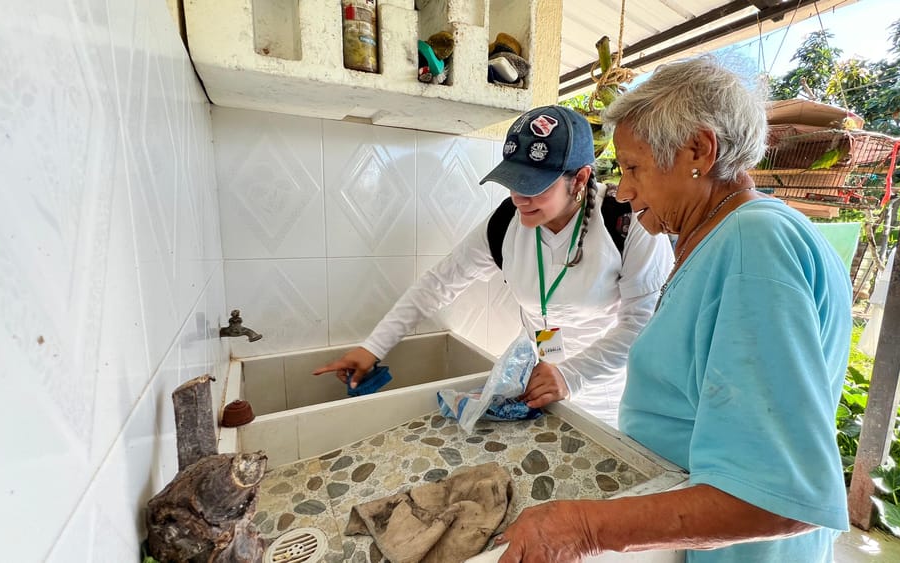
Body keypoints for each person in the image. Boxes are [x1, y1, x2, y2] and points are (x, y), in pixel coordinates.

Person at [494, 57, 852, 562]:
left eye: (635, 167)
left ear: (699, 151)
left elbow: (781, 497)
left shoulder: (755, 244)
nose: (624, 190)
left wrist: (583, 528)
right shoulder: (725, 237)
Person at [314, 104, 673, 428]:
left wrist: (571, 376)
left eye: (535, 186)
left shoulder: (628, 223)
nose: (519, 198)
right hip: (539, 382)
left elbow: (643, 325)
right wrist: (373, 347)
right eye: (513, 183)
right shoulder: (507, 223)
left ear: (579, 179)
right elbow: (438, 284)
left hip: (609, 393)